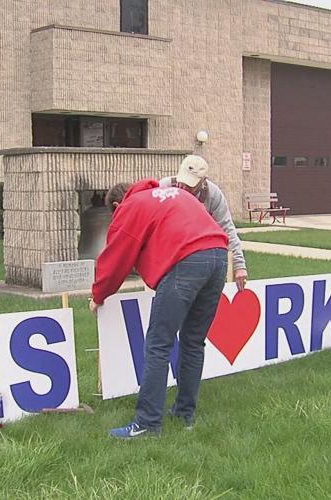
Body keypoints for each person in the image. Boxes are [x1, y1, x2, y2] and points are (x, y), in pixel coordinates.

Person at [89, 179, 229, 439]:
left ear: (118, 205)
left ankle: (147, 423)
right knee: (193, 341)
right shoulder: (172, 193)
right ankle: (184, 414)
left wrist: (98, 295)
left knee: (158, 344)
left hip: (187, 260)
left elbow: (116, 256)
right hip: (219, 255)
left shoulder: (130, 206)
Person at [159, 155, 249, 290]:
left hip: (199, 253)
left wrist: (239, 265)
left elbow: (226, 228)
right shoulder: (164, 187)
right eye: (183, 181)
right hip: (169, 249)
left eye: (190, 185)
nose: (184, 187)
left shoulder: (213, 194)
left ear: (203, 181)